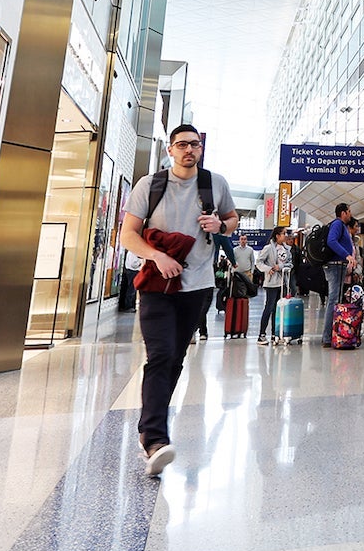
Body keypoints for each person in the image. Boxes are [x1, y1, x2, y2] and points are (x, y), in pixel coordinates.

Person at [117, 123, 238, 477]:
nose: (189, 150)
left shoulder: (215, 184)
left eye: (195, 145)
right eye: (182, 144)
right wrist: (157, 256)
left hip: (197, 285)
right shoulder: (150, 185)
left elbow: (232, 220)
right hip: (157, 284)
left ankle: (151, 428)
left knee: (175, 359)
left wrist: (221, 226)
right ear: (170, 150)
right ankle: (153, 437)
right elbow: (128, 234)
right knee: (161, 355)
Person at [321, 204, 358, 348]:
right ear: (343, 213)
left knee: (335, 300)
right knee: (333, 300)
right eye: (349, 211)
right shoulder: (337, 224)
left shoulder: (341, 225)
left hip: (339, 266)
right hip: (335, 266)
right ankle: (327, 337)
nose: (350, 214)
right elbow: (331, 241)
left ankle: (333, 335)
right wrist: (347, 255)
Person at [254, 228, 291, 344]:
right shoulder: (269, 248)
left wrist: (280, 267)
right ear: (277, 236)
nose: (285, 235)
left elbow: (290, 263)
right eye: (283, 233)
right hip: (271, 283)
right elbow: (259, 262)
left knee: (278, 309)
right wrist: (268, 269)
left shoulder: (287, 249)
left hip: (282, 282)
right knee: (269, 307)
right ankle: (262, 334)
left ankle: (275, 334)